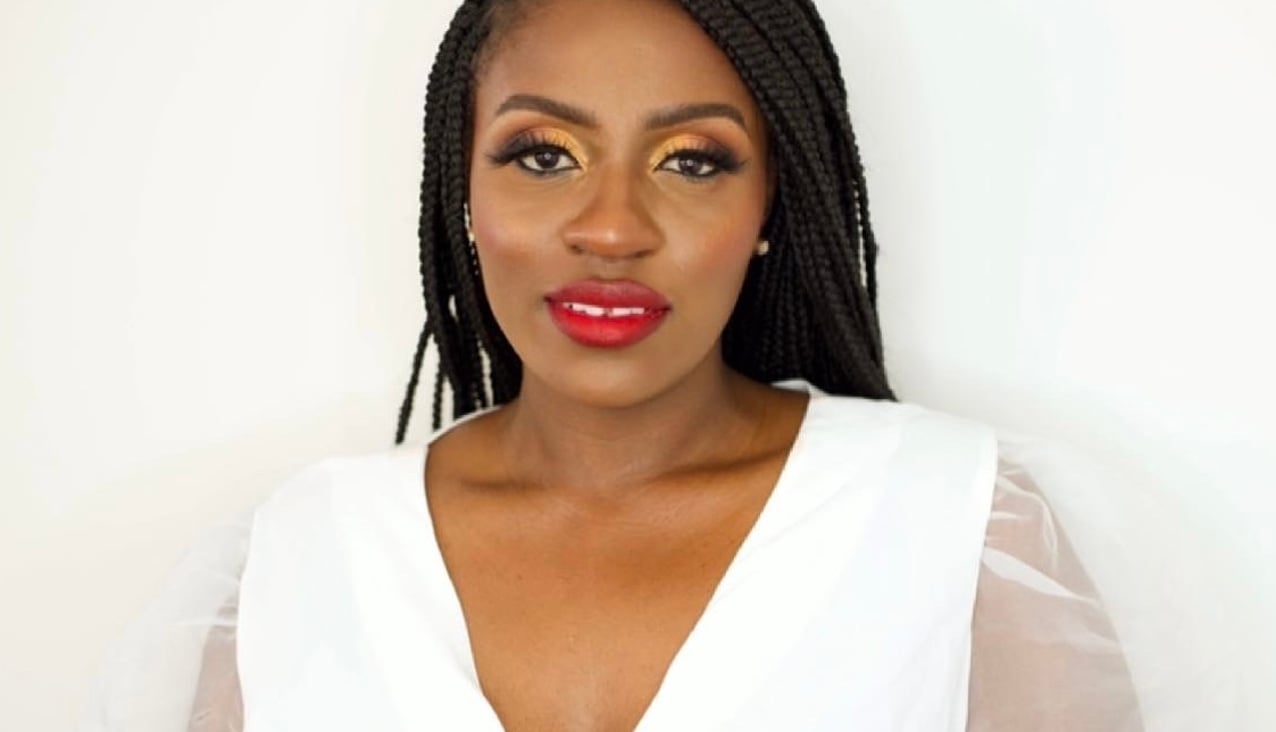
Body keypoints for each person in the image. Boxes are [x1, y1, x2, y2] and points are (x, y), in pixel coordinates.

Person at [82, 0, 1151, 729]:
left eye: (692, 161)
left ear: (770, 204)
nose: (610, 228)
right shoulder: (297, 557)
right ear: (463, 188)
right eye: (543, 155)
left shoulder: (961, 530)